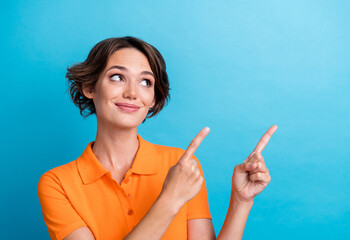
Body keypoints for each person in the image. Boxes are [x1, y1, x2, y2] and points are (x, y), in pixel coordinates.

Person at [37, 36, 277, 240]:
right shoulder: (57, 184)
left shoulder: (180, 164)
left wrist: (241, 201)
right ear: (89, 87)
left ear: (152, 99)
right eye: (117, 77)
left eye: (145, 82)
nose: (132, 93)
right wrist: (171, 198)